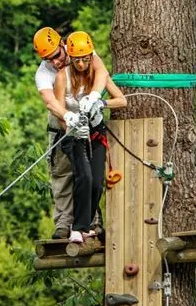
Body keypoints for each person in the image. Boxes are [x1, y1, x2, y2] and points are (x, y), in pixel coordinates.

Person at [33, 27, 109, 239]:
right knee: (63, 175)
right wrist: (67, 117)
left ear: (62, 44)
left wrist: (95, 96)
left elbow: (102, 72)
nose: (55, 62)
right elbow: (50, 102)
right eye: (49, 59)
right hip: (62, 127)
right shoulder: (44, 73)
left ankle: (92, 222)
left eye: (56, 55)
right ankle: (64, 224)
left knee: (90, 175)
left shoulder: (79, 48)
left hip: (89, 123)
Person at [53, 31, 127, 243]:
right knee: (83, 176)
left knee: (96, 182)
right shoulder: (62, 77)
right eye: (78, 60)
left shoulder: (97, 72)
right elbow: (58, 110)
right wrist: (70, 125)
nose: (82, 64)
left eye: (86, 59)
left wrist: (101, 103)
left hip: (95, 131)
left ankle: (86, 226)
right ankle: (77, 228)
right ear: (71, 58)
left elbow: (121, 100)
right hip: (73, 134)